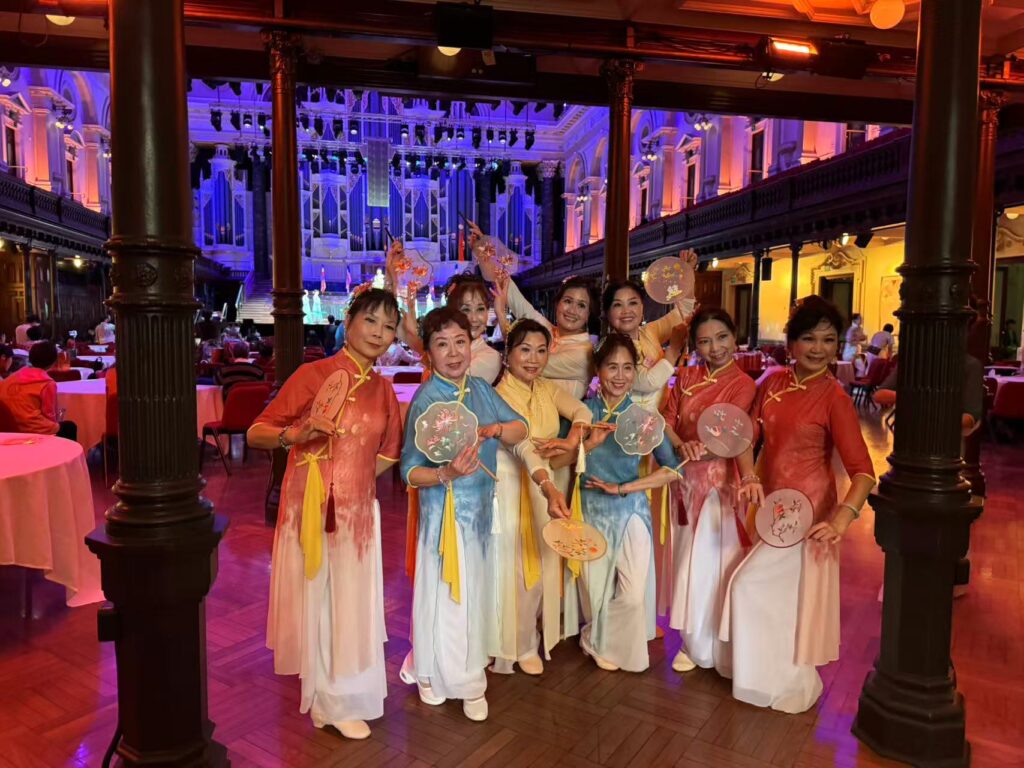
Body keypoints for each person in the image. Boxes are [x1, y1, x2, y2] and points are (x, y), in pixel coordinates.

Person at [245, 288, 404, 741]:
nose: (378, 333)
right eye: (370, 321)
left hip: (357, 512)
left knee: (352, 599)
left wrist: (352, 481)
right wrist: (296, 436)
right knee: (322, 598)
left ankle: (351, 692)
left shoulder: (383, 389)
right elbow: (257, 432)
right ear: (348, 321)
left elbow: (390, 452)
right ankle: (330, 701)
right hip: (309, 505)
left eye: (388, 326)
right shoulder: (313, 375)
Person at [398, 307, 560, 721]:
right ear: (428, 353)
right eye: (442, 344)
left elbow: (521, 428)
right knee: (447, 598)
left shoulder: (481, 390)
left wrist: (496, 431)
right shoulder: (426, 399)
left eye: (460, 342)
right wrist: (446, 473)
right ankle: (453, 678)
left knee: (474, 598)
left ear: (471, 345)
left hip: (483, 515)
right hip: (444, 518)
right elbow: (409, 471)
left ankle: (449, 672)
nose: (453, 353)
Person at [722, 296, 875, 714]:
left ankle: (785, 680)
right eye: (809, 338)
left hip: (807, 515)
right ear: (791, 343)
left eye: (829, 339)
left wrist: (842, 519)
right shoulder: (772, 382)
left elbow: (863, 472)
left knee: (749, 586)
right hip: (768, 508)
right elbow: (744, 434)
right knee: (778, 598)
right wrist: (748, 476)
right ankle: (763, 678)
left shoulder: (835, 398)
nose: (819, 348)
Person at [558, 334, 682, 672]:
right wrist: (590, 445)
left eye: (628, 368)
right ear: (598, 370)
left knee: (632, 593)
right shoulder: (581, 412)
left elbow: (674, 469)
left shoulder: (644, 417)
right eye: (611, 367)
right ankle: (597, 639)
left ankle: (595, 636)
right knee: (596, 592)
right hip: (589, 509)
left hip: (631, 510)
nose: (620, 375)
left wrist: (624, 487)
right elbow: (557, 461)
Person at [492, 319, 591, 675]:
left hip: (549, 484)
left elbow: (582, 411)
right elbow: (516, 444)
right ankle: (514, 644)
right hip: (511, 487)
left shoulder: (547, 388)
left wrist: (571, 439)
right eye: (525, 350)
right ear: (508, 354)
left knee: (545, 561)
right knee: (517, 568)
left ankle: (529, 635)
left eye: (541, 350)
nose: (533, 359)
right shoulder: (497, 395)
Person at [660, 308, 756, 675]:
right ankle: (692, 642)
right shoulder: (686, 376)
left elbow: (734, 434)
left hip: (718, 484)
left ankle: (717, 642)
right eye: (704, 341)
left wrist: (703, 449)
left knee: (712, 565)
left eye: (722, 337)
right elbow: (666, 420)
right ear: (695, 345)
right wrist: (680, 444)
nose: (715, 348)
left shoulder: (743, 384)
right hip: (684, 478)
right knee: (685, 560)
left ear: (734, 335)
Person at [492, 274, 596, 400]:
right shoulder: (549, 331)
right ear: (557, 304)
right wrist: (499, 271)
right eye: (568, 301)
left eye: (581, 305)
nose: (572, 311)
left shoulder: (584, 353)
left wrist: (501, 314)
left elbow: (522, 359)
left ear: (588, 315)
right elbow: (521, 305)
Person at [0, 341, 78, 441]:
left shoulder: (13, 376)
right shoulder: (46, 383)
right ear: (53, 361)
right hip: (31, 428)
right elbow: (49, 415)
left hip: (8, 427)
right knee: (70, 427)